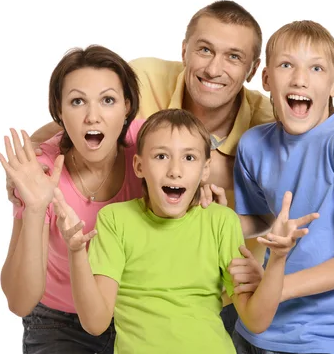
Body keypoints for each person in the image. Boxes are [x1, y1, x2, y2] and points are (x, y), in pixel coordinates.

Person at [9, 0, 334, 334]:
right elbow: (88, 108)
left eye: (233, 57)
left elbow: (326, 137)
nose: (214, 68)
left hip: (219, 296)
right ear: (184, 49)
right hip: (125, 294)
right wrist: (28, 159)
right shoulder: (146, 79)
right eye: (204, 50)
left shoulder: (265, 123)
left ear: (255, 71)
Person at [51, 108, 317, 353]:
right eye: (161, 156)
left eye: (189, 157)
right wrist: (76, 253)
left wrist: (278, 260)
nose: (175, 170)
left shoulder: (222, 221)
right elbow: (95, 323)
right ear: (139, 166)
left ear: (205, 170)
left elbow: (256, 320)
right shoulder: (115, 220)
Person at [230, 20, 334, 354]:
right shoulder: (252, 145)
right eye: (286, 64)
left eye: (316, 68)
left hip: (320, 339)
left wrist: (276, 288)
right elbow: (263, 219)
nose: (300, 78)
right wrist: (212, 216)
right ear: (266, 79)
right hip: (251, 329)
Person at [0, 45, 143, 353]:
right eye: (78, 101)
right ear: (60, 112)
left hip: (134, 312)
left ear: (127, 107)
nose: (93, 117)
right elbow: (19, 301)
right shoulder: (43, 170)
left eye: (108, 100)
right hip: (60, 321)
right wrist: (35, 208)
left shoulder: (146, 149)